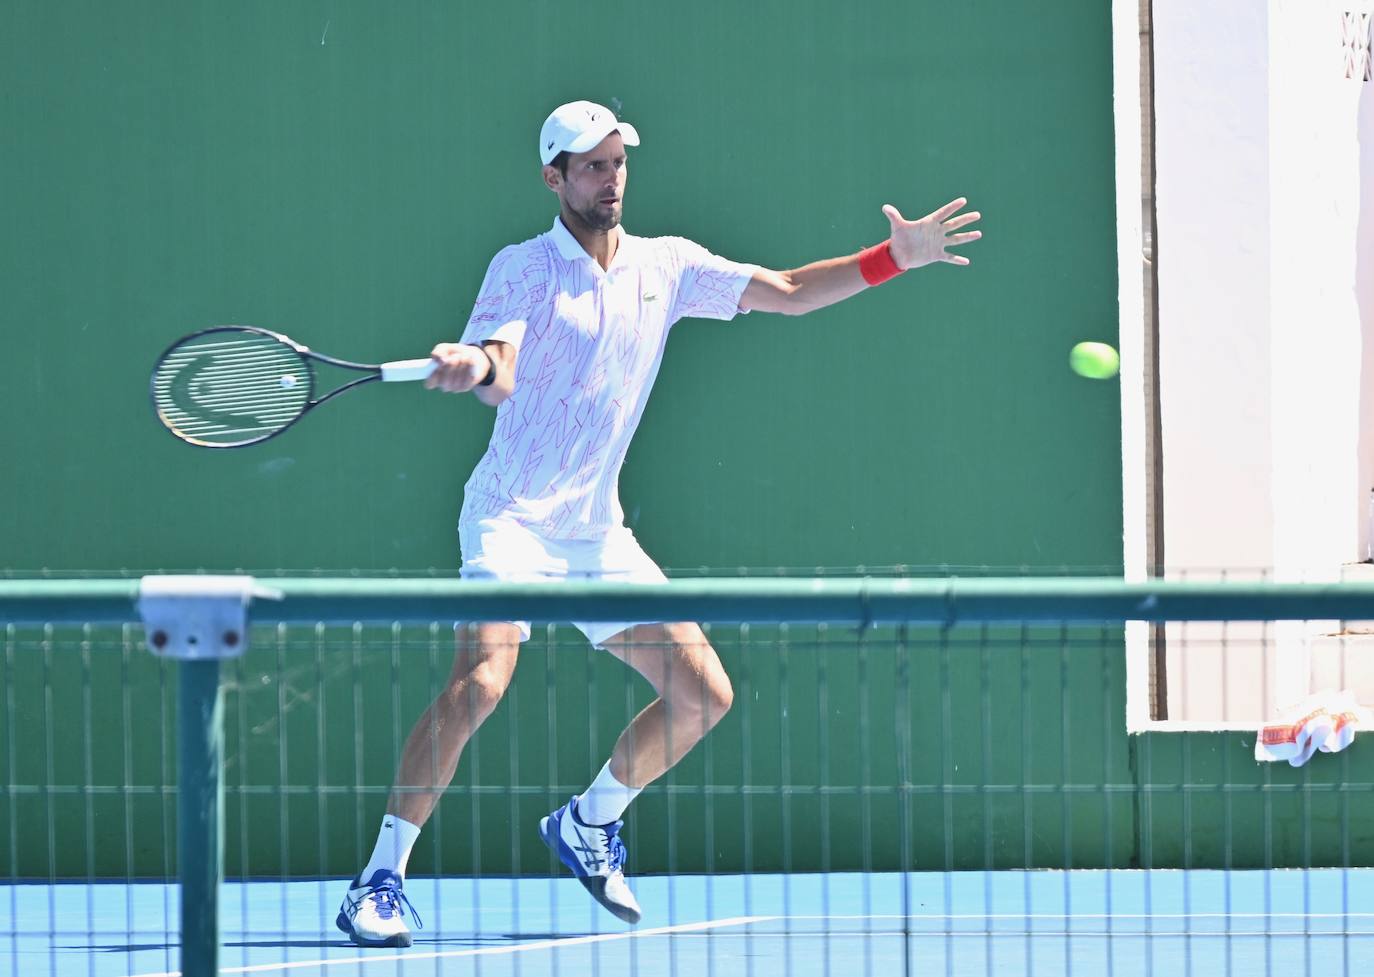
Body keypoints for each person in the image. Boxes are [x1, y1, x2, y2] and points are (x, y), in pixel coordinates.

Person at [336, 99, 982, 948]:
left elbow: (786, 293)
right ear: (553, 177)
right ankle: (379, 877)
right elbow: (501, 365)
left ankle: (587, 822)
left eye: (617, 162)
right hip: (512, 520)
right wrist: (473, 366)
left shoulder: (667, 265)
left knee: (703, 693)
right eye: (591, 165)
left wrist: (889, 261)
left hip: (595, 532)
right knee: (482, 681)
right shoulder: (524, 267)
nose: (610, 179)